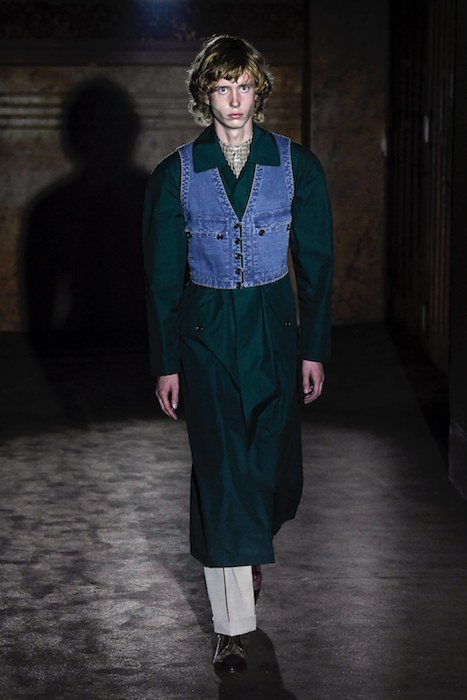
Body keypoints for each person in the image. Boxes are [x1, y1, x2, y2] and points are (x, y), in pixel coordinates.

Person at [142, 34, 333, 674]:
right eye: (222, 87)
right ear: (205, 93)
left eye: (243, 86)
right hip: (205, 336)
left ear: (259, 91)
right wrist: (166, 363)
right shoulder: (175, 173)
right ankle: (231, 627)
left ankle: (250, 548)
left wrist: (314, 348)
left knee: (274, 474)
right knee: (221, 473)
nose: (233, 99)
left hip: (273, 329)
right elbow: (162, 280)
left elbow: (317, 265)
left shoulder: (296, 165)